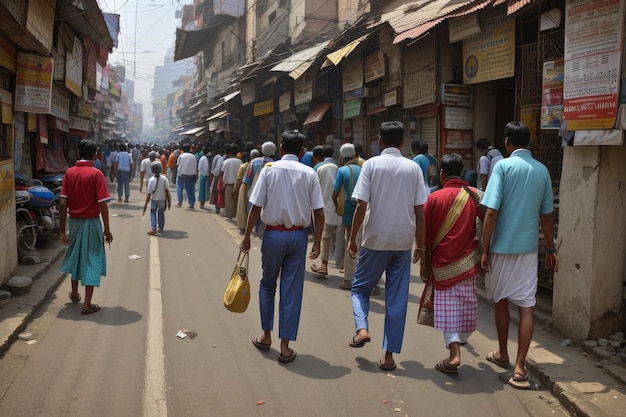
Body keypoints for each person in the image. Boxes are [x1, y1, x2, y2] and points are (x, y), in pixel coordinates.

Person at [480, 121, 558, 390]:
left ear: (507, 143)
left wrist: (484, 248)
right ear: (530, 143)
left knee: (500, 300)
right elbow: (546, 216)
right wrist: (551, 248)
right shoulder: (542, 170)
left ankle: (502, 352)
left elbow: (490, 211)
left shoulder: (502, 166)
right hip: (528, 249)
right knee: (527, 307)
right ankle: (520, 367)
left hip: (502, 247)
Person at [347, 121, 427, 371]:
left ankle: (362, 328)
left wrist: (352, 238)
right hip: (403, 241)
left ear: (379, 141)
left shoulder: (371, 165)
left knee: (360, 288)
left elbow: (361, 205)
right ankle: (389, 356)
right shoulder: (413, 168)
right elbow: (420, 212)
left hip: (375, 240)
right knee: (397, 298)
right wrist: (421, 247)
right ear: (402, 142)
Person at [240, 129, 324, 364]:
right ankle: (285, 347)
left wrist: (247, 237)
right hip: (298, 238)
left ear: (281, 149)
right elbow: (318, 211)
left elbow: (255, 207)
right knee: (291, 290)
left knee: (267, 285)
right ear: (303, 151)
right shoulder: (310, 173)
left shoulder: (268, 171)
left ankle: (266, 336)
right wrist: (317, 242)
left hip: (273, 235)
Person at [419, 153, 484, 375]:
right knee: (464, 305)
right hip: (468, 263)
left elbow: (425, 236)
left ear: (442, 174)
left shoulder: (434, 198)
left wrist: (425, 263)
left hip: (441, 264)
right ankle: (459, 343)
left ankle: (454, 353)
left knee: (448, 309)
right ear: (463, 172)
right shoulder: (477, 196)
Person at [59, 139, 113, 315]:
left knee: (76, 257)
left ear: (78, 154)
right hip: (91, 222)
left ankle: (75, 294)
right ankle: (87, 305)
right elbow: (103, 204)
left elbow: (62, 204)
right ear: (95, 155)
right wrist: (107, 228)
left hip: (73, 222)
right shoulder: (96, 174)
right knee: (91, 260)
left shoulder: (69, 173)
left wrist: (61, 231)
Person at [333, 143, 362, 289]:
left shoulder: (342, 170)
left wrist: (336, 206)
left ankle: (348, 279)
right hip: (362, 209)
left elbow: (335, 193)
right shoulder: (363, 168)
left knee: (350, 242)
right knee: (360, 242)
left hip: (348, 211)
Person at [310, 145, 342, 276]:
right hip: (338, 204)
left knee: (325, 236)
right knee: (341, 235)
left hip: (323, 205)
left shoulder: (318, 168)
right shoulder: (338, 167)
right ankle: (341, 263)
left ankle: (324, 265)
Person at [142, 161, 171, 235]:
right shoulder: (164, 179)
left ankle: (153, 228)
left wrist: (145, 206)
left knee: (153, 213)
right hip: (162, 199)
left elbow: (149, 194)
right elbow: (167, 192)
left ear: (152, 170)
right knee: (161, 212)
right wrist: (168, 203)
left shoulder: (151, 180)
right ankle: (161, 226)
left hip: (154, 200)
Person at [234, 150, 255, 234]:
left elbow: (239, 180)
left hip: (245, 187)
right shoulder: (261, 164)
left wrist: (234, 191)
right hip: (254, 187)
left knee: (242, 208)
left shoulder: (243, 166)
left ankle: (243, 227)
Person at [221, 143, 242, 219]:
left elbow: (222, 172)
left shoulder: (226, 162)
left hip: (228, 184)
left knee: (229, 201)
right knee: (237, 200)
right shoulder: (239, 162)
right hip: (238, 184)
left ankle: (229, 216)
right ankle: (236, 215)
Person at [175, 144, 197, 208]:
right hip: (191, 174)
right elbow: (195, 165)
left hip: (181, 174)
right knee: (191, 189)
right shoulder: (193, 156)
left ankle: (180, 202)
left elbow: (178, 164)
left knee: (179, 188)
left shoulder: (181, 156)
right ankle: (191, 203)